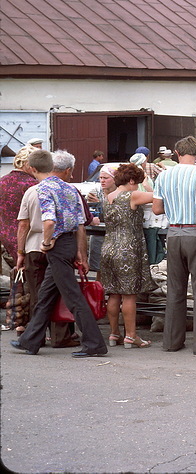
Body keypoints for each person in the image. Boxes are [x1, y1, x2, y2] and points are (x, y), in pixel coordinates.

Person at [10, 149, 107, 358]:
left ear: (34, 169)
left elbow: (49, 221)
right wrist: (81, 252)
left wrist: (46, 242)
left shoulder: (42, 189)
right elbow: (80, 223)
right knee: (46, 295)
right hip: (69, 243)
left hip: (56, 245)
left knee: (72, 296)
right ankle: (30, 340)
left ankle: (94, 343)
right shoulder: (70, 189)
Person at [152, 136, 196, 355]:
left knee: (175, 289)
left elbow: (156, 209)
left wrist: (175, 207)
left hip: (173, 232)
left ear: (176, 152)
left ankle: (172, 341)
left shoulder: (164, 176)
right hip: (195, 231)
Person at [99, 163, 158, 349]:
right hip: (127, 249)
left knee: (114, 294)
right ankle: (131, 336)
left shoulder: (109, 197)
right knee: (129, 295)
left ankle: (114, 333)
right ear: (131, 180)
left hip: (108, 247)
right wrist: (148, 184)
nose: (137, 186)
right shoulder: (132, 195)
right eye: (137, 182)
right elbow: (158, 197)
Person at [0, 146, 37, 332]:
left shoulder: (3, 181)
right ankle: (24, 321)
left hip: (5, 235)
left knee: (17, 277)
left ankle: (15, 318)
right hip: (25, 236)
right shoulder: (31, 185)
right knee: (30, 280)